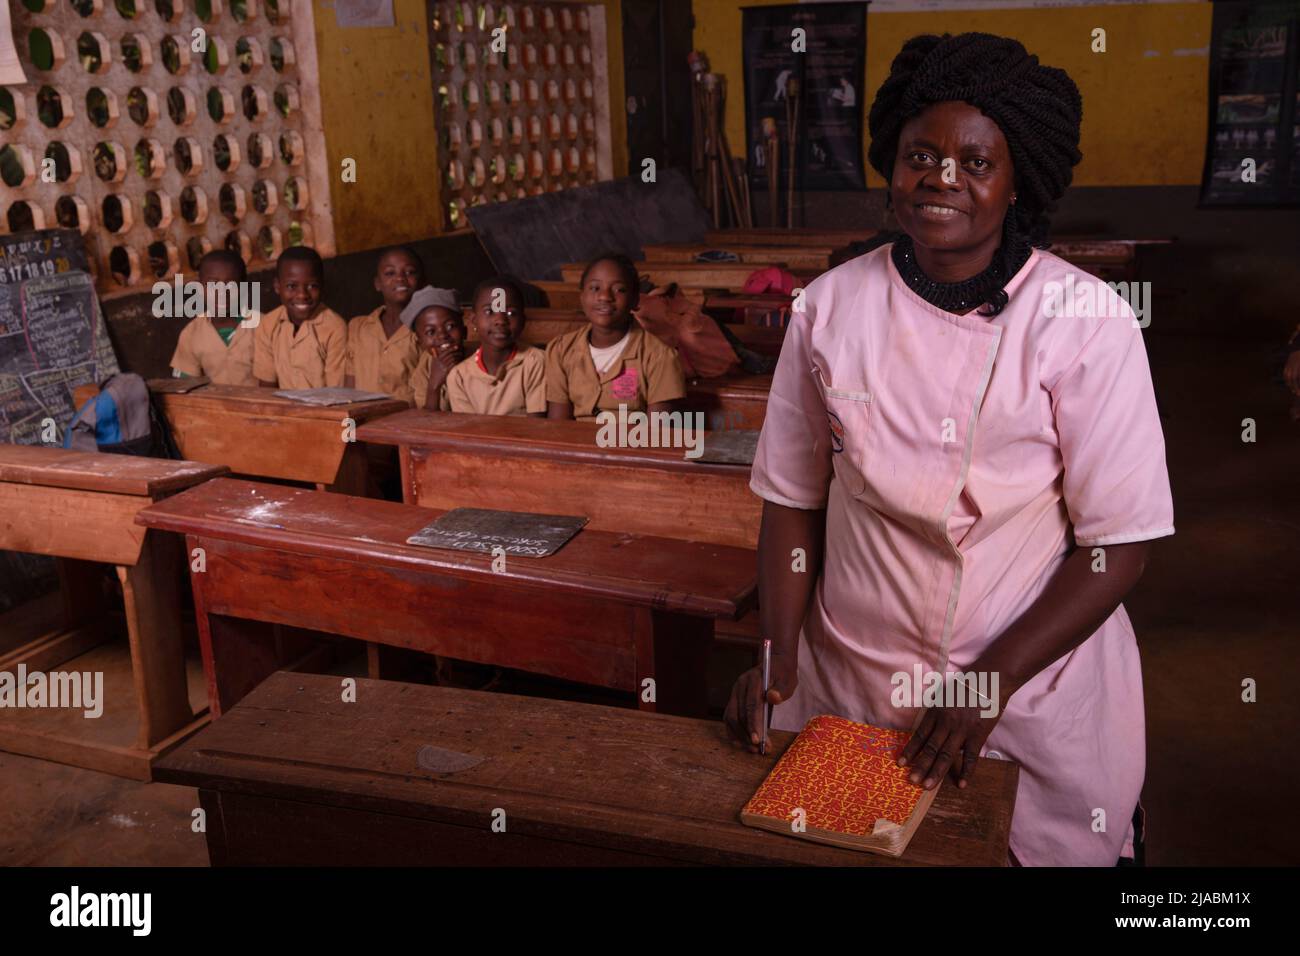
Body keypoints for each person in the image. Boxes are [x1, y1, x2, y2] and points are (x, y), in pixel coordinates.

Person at [724, 32, 1174, 867]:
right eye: (919, 155)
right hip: (853, 677)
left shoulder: (1086, 321)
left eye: (975, 162)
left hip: (1029, 681)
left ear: (1018, 181)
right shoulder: (828, 309)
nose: (941, 178)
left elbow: (1120, 548)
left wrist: (987, 684)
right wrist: (778, 654)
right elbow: (791, 501)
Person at [545, 254, 685, 421]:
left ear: (635, 300)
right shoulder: (560, 350)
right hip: (575, 445)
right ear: (582, 297)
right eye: (595, 288)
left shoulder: (660, 356)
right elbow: (559, 427)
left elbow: (657, 433)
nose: (605, 296)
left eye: (619, 289)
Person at [445, 277, 545, 416]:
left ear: (523, 322)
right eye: (489, 311)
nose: (500, 320)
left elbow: (536, 425)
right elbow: (468, 430)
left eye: (510, 313)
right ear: (473, 321)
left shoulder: (535, 362)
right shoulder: (459, 376)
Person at [253, 246, 347, 389]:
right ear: (277, 286)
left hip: (324, 410)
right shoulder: (268, 324)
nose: (302, 295)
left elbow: (337, 392)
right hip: (281, 410)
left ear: (322, 286)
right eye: (291, 286)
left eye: (311, 286)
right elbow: (266, 387)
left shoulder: (334, 328)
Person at [344, 246, 425, 403]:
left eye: (409, 272)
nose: (400, 278)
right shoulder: (358, 327)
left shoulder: (426, 330)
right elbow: (349, 385)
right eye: (390, 273)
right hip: (363, 418)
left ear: (421, 282)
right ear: (378, 283)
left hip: (405, 421)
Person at [168, 250, 256, 385]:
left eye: (231, 285)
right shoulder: (191, 333)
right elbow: (185, 386)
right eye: (213, 284)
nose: (221, 292)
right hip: (212, 405)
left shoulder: (263, 327)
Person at [405, 287, 466, 411]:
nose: (443, 335)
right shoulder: (424, 368)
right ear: (420, 342)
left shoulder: (479, 360)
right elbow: (427, 421)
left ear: (465, 331)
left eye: (450, 326)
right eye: (430, 332)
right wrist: (434, 385)